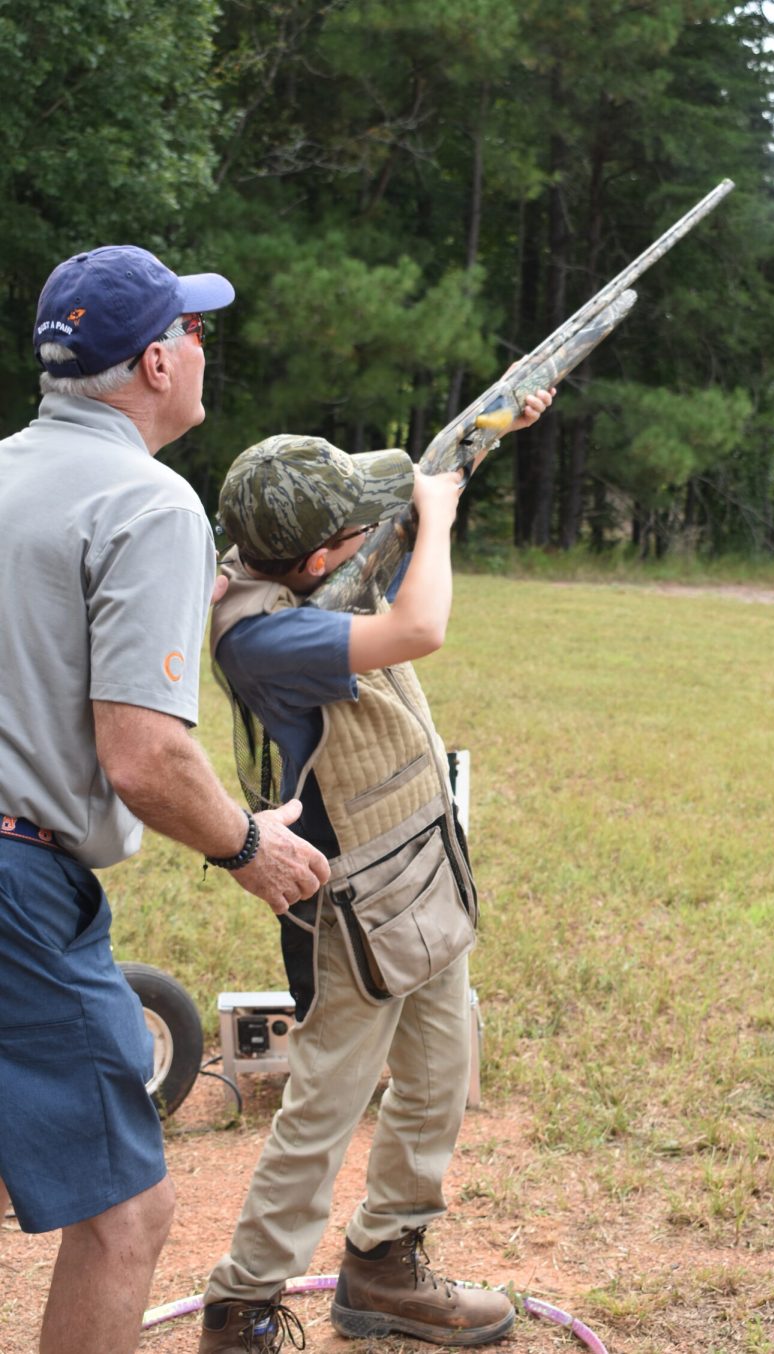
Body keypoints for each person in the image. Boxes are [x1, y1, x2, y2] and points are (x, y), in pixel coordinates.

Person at [0, 245, 331, 1354]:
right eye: (191, 331)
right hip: (16, 885)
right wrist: (249, 846)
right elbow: (141, 754)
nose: (200, 348)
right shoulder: (148, 503)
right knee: (127, 1209)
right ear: (153, 362)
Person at [199, 394, 554, 1351]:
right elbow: (417, 628)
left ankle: (386, 1262)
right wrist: (435, 525)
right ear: (317, 560)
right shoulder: (263, 635)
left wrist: (490, 434)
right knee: (324, 1105)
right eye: (356, 533)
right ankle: (241, 1305)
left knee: (440, 1075)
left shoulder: (292, 549)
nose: (374, 532)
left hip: (419, 862)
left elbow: (407, 481)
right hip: (355, 896)